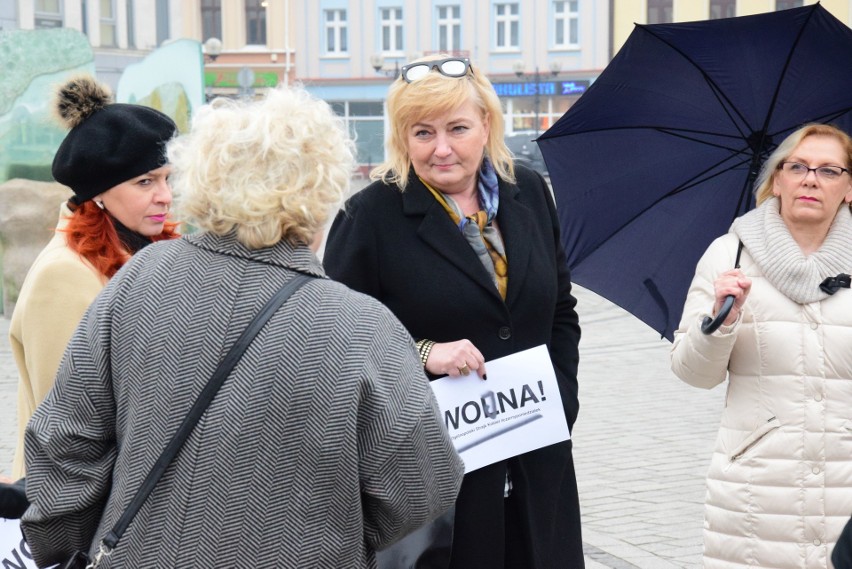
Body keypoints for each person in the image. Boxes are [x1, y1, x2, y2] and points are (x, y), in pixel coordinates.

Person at [20, 85, 464, 568]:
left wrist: (65, 544)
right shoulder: (364, 326)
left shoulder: (139, 279)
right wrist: (334, 531)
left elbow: (64, 438)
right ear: (320, 194)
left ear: (205, 179)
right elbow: (422, 485)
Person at [323, 55, 584, 569]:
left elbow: (560, 310)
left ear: (486, 125)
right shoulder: (369, 217)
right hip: (436, 482)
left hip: (537, 462)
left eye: (458, 128)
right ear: (402, 138)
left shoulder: (527, 193)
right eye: (422, 133)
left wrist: (561, 398)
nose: (441, 148)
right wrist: (424, 353)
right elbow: (338, 341)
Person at [671, 123, 852, 568]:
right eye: (797, 167)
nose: (811, 179)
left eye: (830, 170)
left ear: (849, 188)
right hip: (758, 491)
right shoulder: (728, 255)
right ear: (776, 181)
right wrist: (722, 321)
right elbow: (693, 373)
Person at [9, 75, 179, 480]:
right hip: (74, 502)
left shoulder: (145, 251)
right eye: (146, 182)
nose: (166, 196)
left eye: (167, 178)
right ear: (99, 193)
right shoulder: (65, 274)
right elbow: (68, 423)